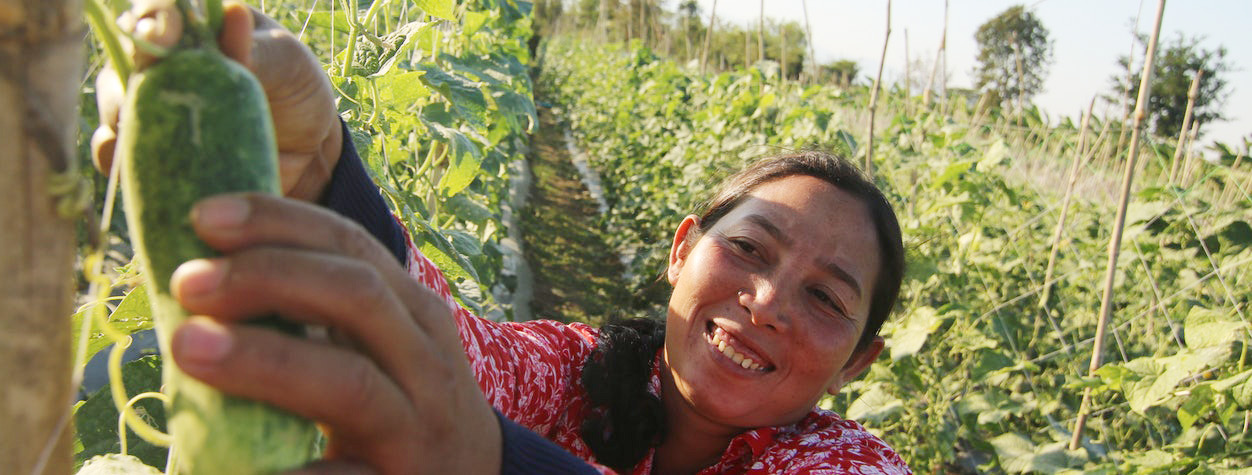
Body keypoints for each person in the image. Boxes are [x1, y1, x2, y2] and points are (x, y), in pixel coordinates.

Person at [93, 3, 912, 474]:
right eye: (750, 249)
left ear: (858, 363)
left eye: (826, 298)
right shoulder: (575, 371)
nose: (766, 300)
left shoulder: (854, 466)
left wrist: (492, 458)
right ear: (680, 250)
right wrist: (320, 169)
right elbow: (453, 350)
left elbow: (460, 422)